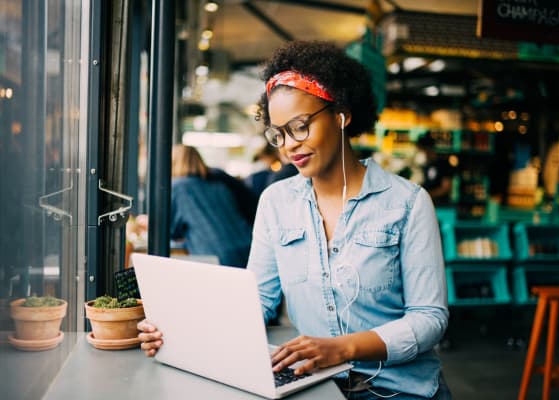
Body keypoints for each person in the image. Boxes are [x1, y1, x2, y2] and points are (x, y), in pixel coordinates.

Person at [139, 41, 450, 399]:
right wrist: (179, 331)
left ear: (341, 115)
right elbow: (256, 300)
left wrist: (342, 348)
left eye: (300, 126)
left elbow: (429, 319)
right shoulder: (276, 202)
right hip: (318, 387)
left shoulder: (407, 203)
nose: (289, 146)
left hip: (401, 392)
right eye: (279, 133)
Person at [169, 144, 256, 267]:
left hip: (216, 257)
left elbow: (172, 232)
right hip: (247, 250)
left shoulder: (178, 187)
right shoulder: (219, 186)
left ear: (173, 163)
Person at [416, 131, 454, 205]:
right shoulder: (423, 165)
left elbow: (446, 187)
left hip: (440, 206)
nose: (420, 153)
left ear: (428, 149)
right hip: (425, 204)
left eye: (421, 150)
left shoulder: (443, 164)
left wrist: (428, 195)